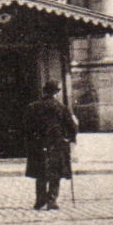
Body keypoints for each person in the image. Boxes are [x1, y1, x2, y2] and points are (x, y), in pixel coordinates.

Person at [23, 81, 77, 211]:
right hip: (57, 144)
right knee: (55, 173)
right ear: (56, 93)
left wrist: (30, 142)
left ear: (44, 91)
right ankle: (52, 200)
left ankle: (40, 200)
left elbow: (26, 127)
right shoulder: (61, 108)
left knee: (41, 173)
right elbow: (72, 127)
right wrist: (69, 139)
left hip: (38, 144)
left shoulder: (33, 107)